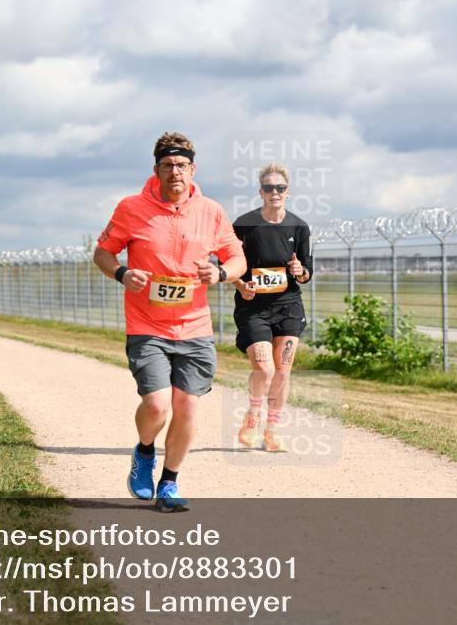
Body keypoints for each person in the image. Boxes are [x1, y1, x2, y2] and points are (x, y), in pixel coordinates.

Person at [93, 132, 246, 512]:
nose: (174, 172)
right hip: (147, 324)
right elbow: (102, 252)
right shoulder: (131, 207)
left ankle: (170, 484)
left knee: (188, 406)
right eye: (167, 165)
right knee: (158, 405)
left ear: (192, 169)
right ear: (156, 169)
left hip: (195, 327)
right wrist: (122, 273)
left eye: (181, 165)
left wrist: (222, 274)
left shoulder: (211, 211)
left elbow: (237, 259)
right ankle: (145, 453)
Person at [231, 162, 313, 452]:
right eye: (269, 188)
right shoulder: (244, 225)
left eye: (280, 187)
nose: (274, 192)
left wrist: (299, 269)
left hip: (288, 306)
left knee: (283, 371)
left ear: (287, 191)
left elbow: (306, 274)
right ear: (260, 191)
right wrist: (242, 285)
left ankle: (272, 430)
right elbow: (228, 265)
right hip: (253, 308)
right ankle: (253, 415)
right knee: (264, 370)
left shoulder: (299, 227)